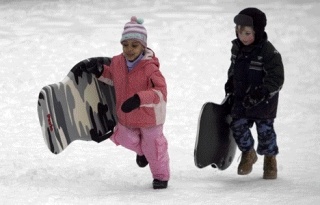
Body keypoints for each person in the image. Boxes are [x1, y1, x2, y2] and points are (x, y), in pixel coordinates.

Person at [84, 16, 170, 189]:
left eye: (134, 45)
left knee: (153, 146)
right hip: (126, 115)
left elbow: (161, 92)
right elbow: (113, 77)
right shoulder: (117, 62)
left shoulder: (150, 68)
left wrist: (139, 99)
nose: (129, 49)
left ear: (143, 46)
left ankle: (161, 176)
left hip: (150, 117)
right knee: (123, 137)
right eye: (125, 45)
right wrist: (101, 72)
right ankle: (142, 152)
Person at [224, 8, 284, 179]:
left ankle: (270, 159)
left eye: (247, 33)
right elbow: (234, 68)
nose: (242, 37)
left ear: (258, 32)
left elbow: (277, 77)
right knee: (237, 125)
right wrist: (230, 81)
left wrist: (263, 92)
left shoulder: (268, 52)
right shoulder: (237, 48)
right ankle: (248, 152)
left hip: (263, 101)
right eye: (239, 32)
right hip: (242, 98)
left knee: (265, 131)